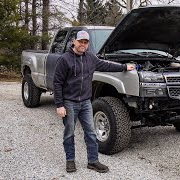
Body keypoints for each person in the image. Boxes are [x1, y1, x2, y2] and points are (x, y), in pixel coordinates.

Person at [53, 30, 135, 173]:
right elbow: (57, 83)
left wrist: (124, 67)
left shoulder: (91, 58)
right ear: (74, 42)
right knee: (69, 133)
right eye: (80, 42)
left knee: (91, 133)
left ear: (88, 44)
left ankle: (93, 161)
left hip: (85, 103)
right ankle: (70, 160)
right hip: (69, 103)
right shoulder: (64, 59)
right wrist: (59, 104)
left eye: (85, 42)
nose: (83, 44)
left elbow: (107, 65)